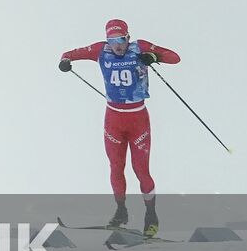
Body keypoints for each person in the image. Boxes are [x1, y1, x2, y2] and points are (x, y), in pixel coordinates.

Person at [59, 19, 180, 237]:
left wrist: (153, 57)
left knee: (141, 170)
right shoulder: (100, 50)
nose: (117, 46)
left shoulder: (140, 47)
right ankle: (121, 211)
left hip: (138, 119)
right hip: (113, 120)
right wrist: (65, 61)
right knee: (116, 167)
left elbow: (175, 58)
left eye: (121, 40)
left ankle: (151, 215)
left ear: (128, 37)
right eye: (112, 41)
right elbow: (68, 53)